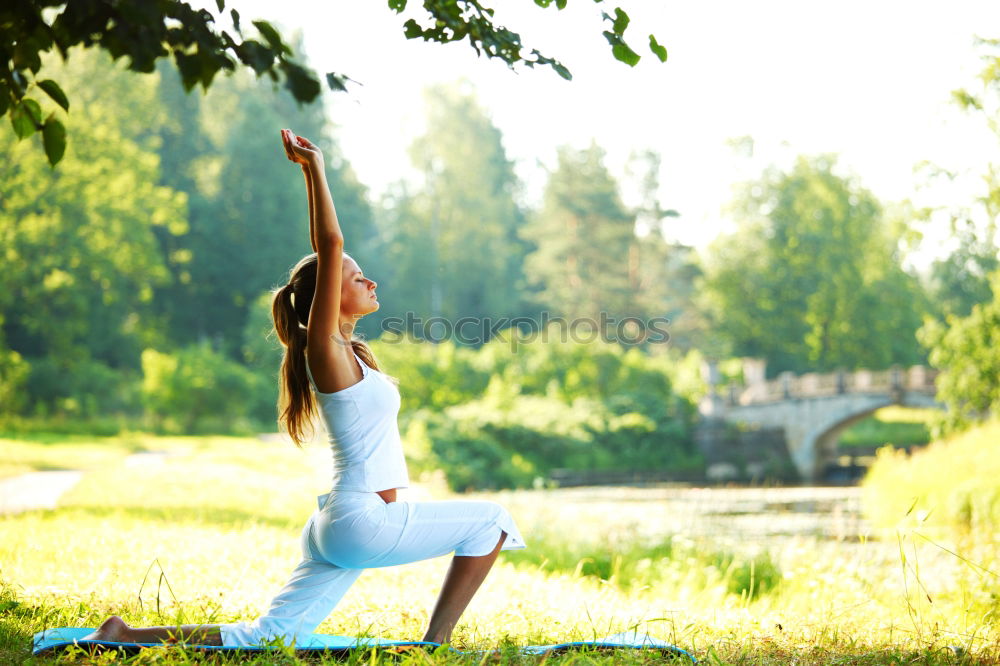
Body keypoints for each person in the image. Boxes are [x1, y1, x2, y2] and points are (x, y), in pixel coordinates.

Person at [82, 128, 526, 648]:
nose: (370, 283)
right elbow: (330, 243)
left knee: (268, 635)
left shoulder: (350, 353)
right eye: (357, 277)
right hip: (361, 521)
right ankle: (437, 641)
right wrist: (314, 167)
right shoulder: (326, 351)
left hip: (338, 524)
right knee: (492, 519)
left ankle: (124, 634)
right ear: (329, 294)